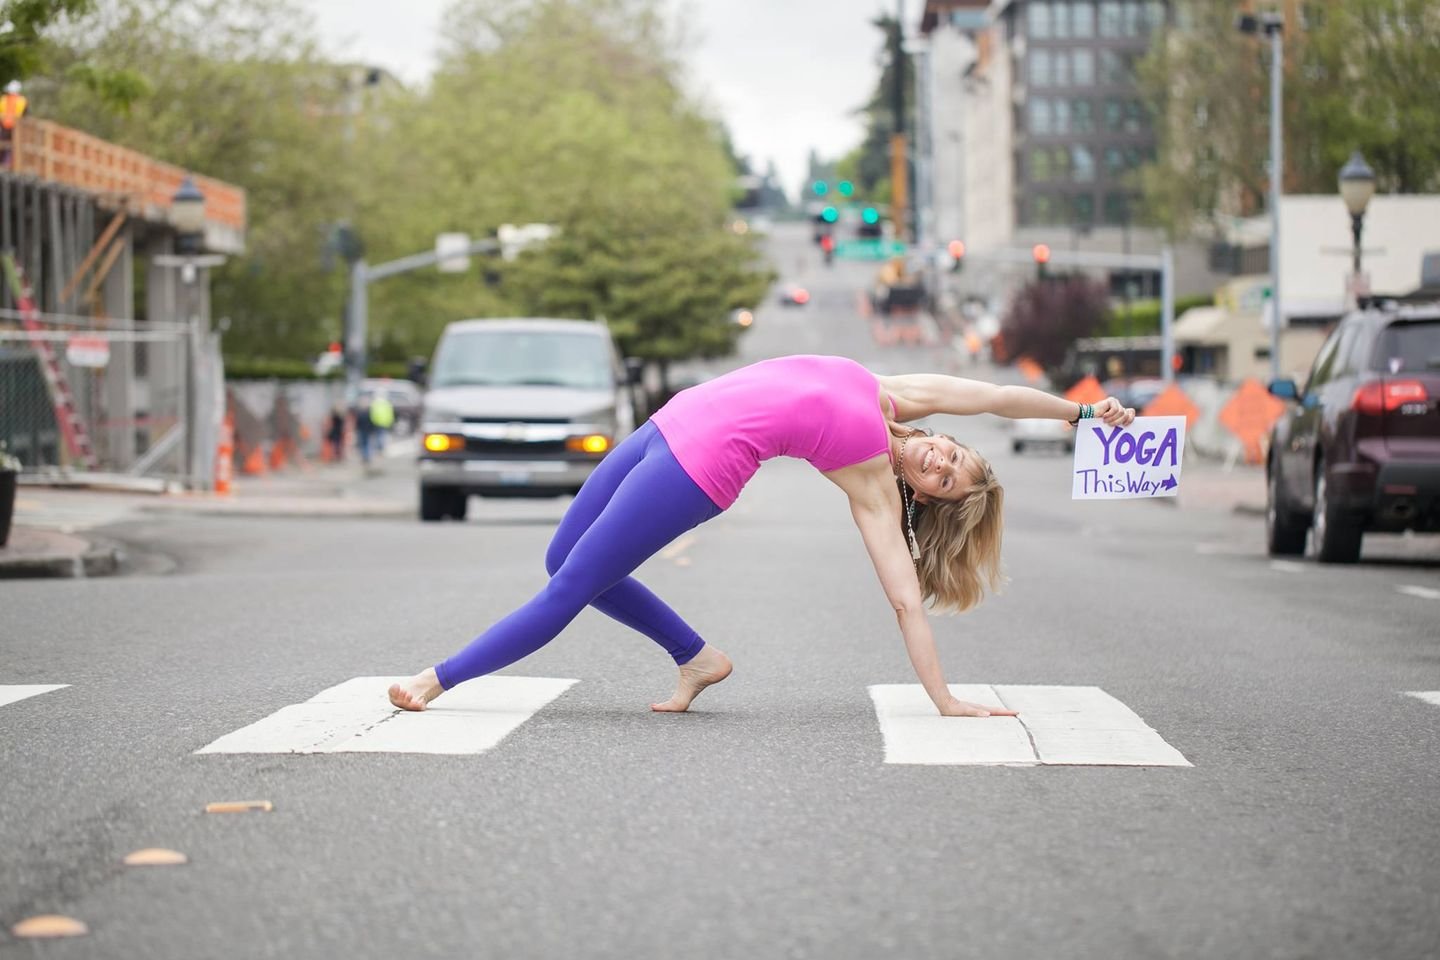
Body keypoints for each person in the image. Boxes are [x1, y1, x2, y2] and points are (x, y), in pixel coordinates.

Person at [388, 355, 1135, 717]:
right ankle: (698, 658)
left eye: (943, 481)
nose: (940, 463)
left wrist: (945, 700)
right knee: (563, 555)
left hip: (697, 466)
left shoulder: (873, 484)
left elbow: (907, 602)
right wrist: (1082, 415)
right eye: (953, 457)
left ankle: (437, 679)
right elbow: (1000, 396)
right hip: (664, 425)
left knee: (568, 587)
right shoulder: (898, 394)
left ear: (922, 497)